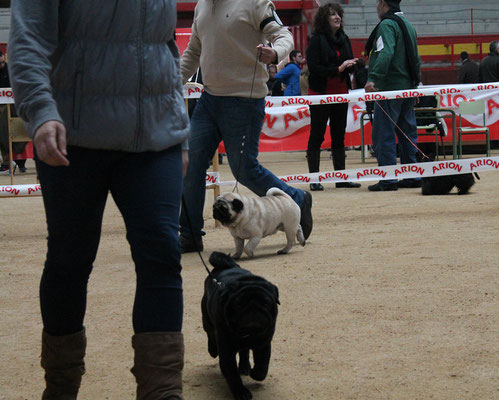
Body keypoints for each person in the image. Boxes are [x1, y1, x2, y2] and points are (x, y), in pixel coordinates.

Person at [8, 1, 190, 398]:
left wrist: (179, 129)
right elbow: (28, 39)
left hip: (155, 134)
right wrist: (40, 110)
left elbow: (164, 47)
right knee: (69, 262)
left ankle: (162, 391)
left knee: (162, 250)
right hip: (72, 135)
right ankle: (60, 386)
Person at [179, 0, 313, 253]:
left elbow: (284, 36)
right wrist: (170, 82)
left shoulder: (255, 3)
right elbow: (193, 53)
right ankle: (189, 234)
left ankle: (297, 199)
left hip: (244, 99)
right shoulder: (202, 7)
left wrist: (275, 53)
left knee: (245, 170)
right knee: (190, 165)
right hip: (209, 100)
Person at [364, 0, 422, 191]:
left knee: (383, 134)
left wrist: (373, 78)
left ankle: (388, 179)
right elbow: (416, 58)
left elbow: (385, 53)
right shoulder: (408, 24)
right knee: (407, 133)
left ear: (382, 3)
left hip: (389, 88)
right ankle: (411, 175)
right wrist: (415, 85)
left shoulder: (387, 24)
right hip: (407, 88)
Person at [305, 2, 360, 191]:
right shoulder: (316, 40)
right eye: (332, 14)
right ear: (324, 19)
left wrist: (354, 65)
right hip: (320, 94)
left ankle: (341, 178)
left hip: (340, 93)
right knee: (317, 135)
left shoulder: (344, 38)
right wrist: (338, 68)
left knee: (339, 135)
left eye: (339, 14)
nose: (337, 17)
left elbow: (348, 64)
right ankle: (314, 178)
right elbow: (314, 69)